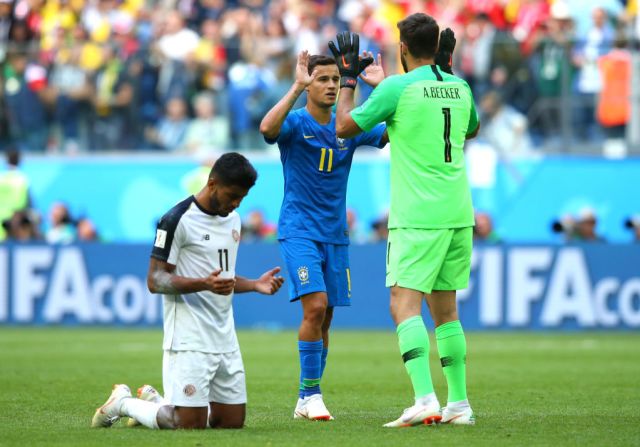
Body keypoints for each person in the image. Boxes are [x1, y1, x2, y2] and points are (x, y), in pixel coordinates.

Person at [331, 16, 479, 427]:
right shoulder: (458, 85)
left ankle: (424, 398)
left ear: (402, 49)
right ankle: (459, 405)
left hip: (418, 216)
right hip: (457, 214)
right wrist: (407, 86)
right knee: (446, 312)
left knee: (403, 304)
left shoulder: (398, 87)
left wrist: (349, 80)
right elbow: (472, 127)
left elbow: (344, 126)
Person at [91, 153, 285, 430]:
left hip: (225, 336)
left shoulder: (233, 221)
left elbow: (221, 279)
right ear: (212, 183)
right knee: (188, 424)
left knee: (230, 423)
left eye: (241, 198)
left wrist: (254, 284)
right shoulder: (176, 219)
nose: (236, 204)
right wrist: (203, 284)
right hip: (188, 337)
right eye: (232, 195)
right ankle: (122, 403)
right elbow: (155, 280)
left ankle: (158, 402)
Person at [259, 50, 388, 420]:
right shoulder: (296, 123)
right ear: (309, 83)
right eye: (322, 79)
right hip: (299, 230)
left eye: (335, 79)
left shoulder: (348, 125)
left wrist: (380, 87)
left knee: (325, 317)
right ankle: (310, 395)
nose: (331, 85)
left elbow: (391, 131)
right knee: (314, 307)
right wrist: (295, 86)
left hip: (335, 235)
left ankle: (307, 398)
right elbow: (267, 130)